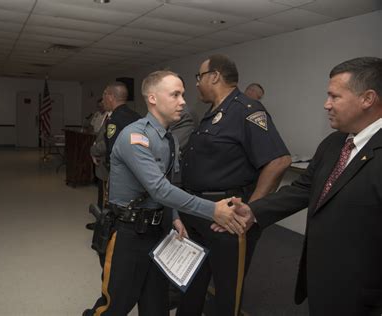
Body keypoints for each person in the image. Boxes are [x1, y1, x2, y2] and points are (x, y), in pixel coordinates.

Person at [83, 70, 247, 316]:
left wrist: (175, 217)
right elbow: (160, 189)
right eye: (175, 94)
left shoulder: (169, 139)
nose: (182, 101)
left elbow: (173, 184)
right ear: (153, 98)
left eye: (183, 94)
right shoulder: (134, 136)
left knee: (156, 306)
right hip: (129, 234)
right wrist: (213, 210)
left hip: (158, 234)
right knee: (114, 305)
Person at [227, 57, 382, 316]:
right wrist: (253, 211)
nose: (326, 104)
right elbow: (303, 189)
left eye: (334, 97)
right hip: (322, 279)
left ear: (367, 98)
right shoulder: (334, 143)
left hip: (365, 293)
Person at [176, 54, 291, 316]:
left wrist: (250, 210)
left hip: (227, 217)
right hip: (199, 211)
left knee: (228, 290)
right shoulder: (212, 113)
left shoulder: (247, 110)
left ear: (214, 76)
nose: (197, 84)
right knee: (193, 281)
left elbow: (278, 161)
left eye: (199, 77)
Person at [102, 81, 141, 168]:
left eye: (104, 95)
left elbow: (113, 150)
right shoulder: (137, 116)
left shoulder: (114, 119)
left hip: (121, 171)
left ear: (110, 97)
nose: (103, 100)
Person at [86, 99, 111, 231]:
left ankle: (102, 224)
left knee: (105, 196)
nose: (100, 105)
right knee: (102, 194)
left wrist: (94, 150)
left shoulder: (114, 118)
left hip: (106, 162)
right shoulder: (105, 116)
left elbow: (107, 141)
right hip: (101, 157)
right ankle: (101, 220)